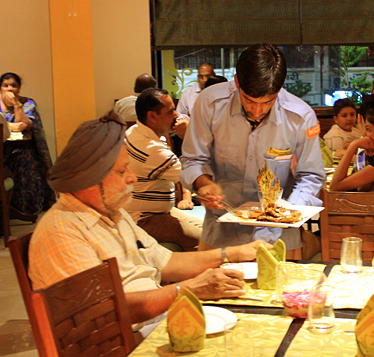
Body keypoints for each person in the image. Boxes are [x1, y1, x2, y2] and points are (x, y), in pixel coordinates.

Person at [28, 111, 266, 335]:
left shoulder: (111, 214)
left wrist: (233, 254)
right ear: (91, 179)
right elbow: (104, 310)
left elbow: (166, 261)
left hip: (152, 321)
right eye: (122, 172)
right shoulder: (62, 232)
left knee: (256, 321)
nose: (132, 177)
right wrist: (190, 289)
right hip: (124, 339)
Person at [180, 44, 325, 256]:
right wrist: (204, 184)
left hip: (279, 237)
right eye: (249, 100)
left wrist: (284, 214)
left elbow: (311, 176)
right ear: (237, 82)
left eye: (268, 102)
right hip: (222, 231)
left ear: (281, 86)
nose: (257, 110)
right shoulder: (209, 104)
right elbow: (192, 159)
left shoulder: (300, 117)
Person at [124, 88, 203, 251]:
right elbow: (193, 175)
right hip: (145, 219)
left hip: (158, 212)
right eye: (170, 112)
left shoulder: (135, 131)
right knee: (209, 241)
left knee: (211, 230)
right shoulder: (152, 150)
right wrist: (189, 136)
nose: (176, 116)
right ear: (152, 117)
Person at [0, 72, 55, 216]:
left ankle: (25, 207)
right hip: (2, 146)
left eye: (13, 85)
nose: (10, 89)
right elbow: (12, 126)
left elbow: (26, 125)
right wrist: (13, 125)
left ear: (19, 88)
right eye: (6, 86)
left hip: (19, 147)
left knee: (24, 157)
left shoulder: (27, 103)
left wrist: (16, 105)